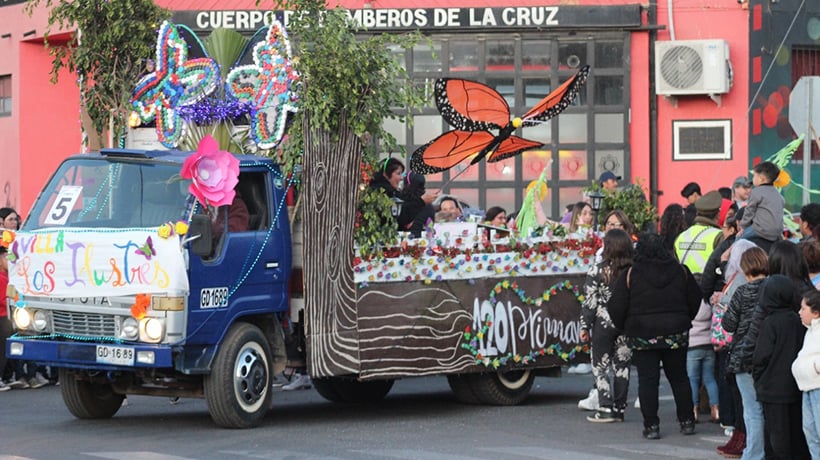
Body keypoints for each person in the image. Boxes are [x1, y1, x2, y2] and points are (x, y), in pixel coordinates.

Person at [608, 232, 701, 440]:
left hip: (642, 335)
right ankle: (687, 421)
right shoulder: (680, 271)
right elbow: (695, 299)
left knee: (648, 381)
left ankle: (651, 426)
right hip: (675, 334)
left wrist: (627, 327)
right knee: (679, 378)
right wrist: (684, 320)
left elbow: (616, 306)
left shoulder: (632, 274)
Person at [752, 274, 810, 459]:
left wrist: (758, 378)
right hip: (796, 385)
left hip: (772, 388)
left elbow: (761, 356)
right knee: (796, 433)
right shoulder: (797, 319)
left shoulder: (770, 322)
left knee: (776, 437)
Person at [580, 229, 634, 423]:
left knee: (600, 365)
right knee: (622, 366)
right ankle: (620, 408)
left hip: (603, 322)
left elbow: (590, 302)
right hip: (625, 323)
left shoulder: (597, 270)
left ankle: (604, 407)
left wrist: (584, 326)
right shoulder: (632, 270)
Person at [723, 246, 769, 460]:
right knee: (767, 409)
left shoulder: (742, 291)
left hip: (743, 356)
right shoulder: (772, 288)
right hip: (769, 355)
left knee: (751, 410)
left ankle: (753, 454)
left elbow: (729, 324)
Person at [370, 157, 438, 231]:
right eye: (398, 173)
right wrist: (421, 201)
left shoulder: (394, 193)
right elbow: (398, 218)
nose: (401, 178)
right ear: (386, 174)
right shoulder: (379, 193)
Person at [792, 290, 820, 459]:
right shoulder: (809, 330)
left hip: (817, 386)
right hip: (807, 386)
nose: (800, 312)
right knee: (811, 433)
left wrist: (815, 367)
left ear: (816, 312)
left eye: (803, 309)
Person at [674, 191, 724, 278]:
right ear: (718, 215)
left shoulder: (681, 236)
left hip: (685, 287)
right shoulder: (719, 236)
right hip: (708, 287)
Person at [738, 161, 784, 244]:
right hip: (777, 233)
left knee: (738, 239)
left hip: (761, 230)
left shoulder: (756, 192)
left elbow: (749, 211)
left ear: (761, 178)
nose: (753, 179)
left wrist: (742, 226)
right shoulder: (778, 195)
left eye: (754, 176)